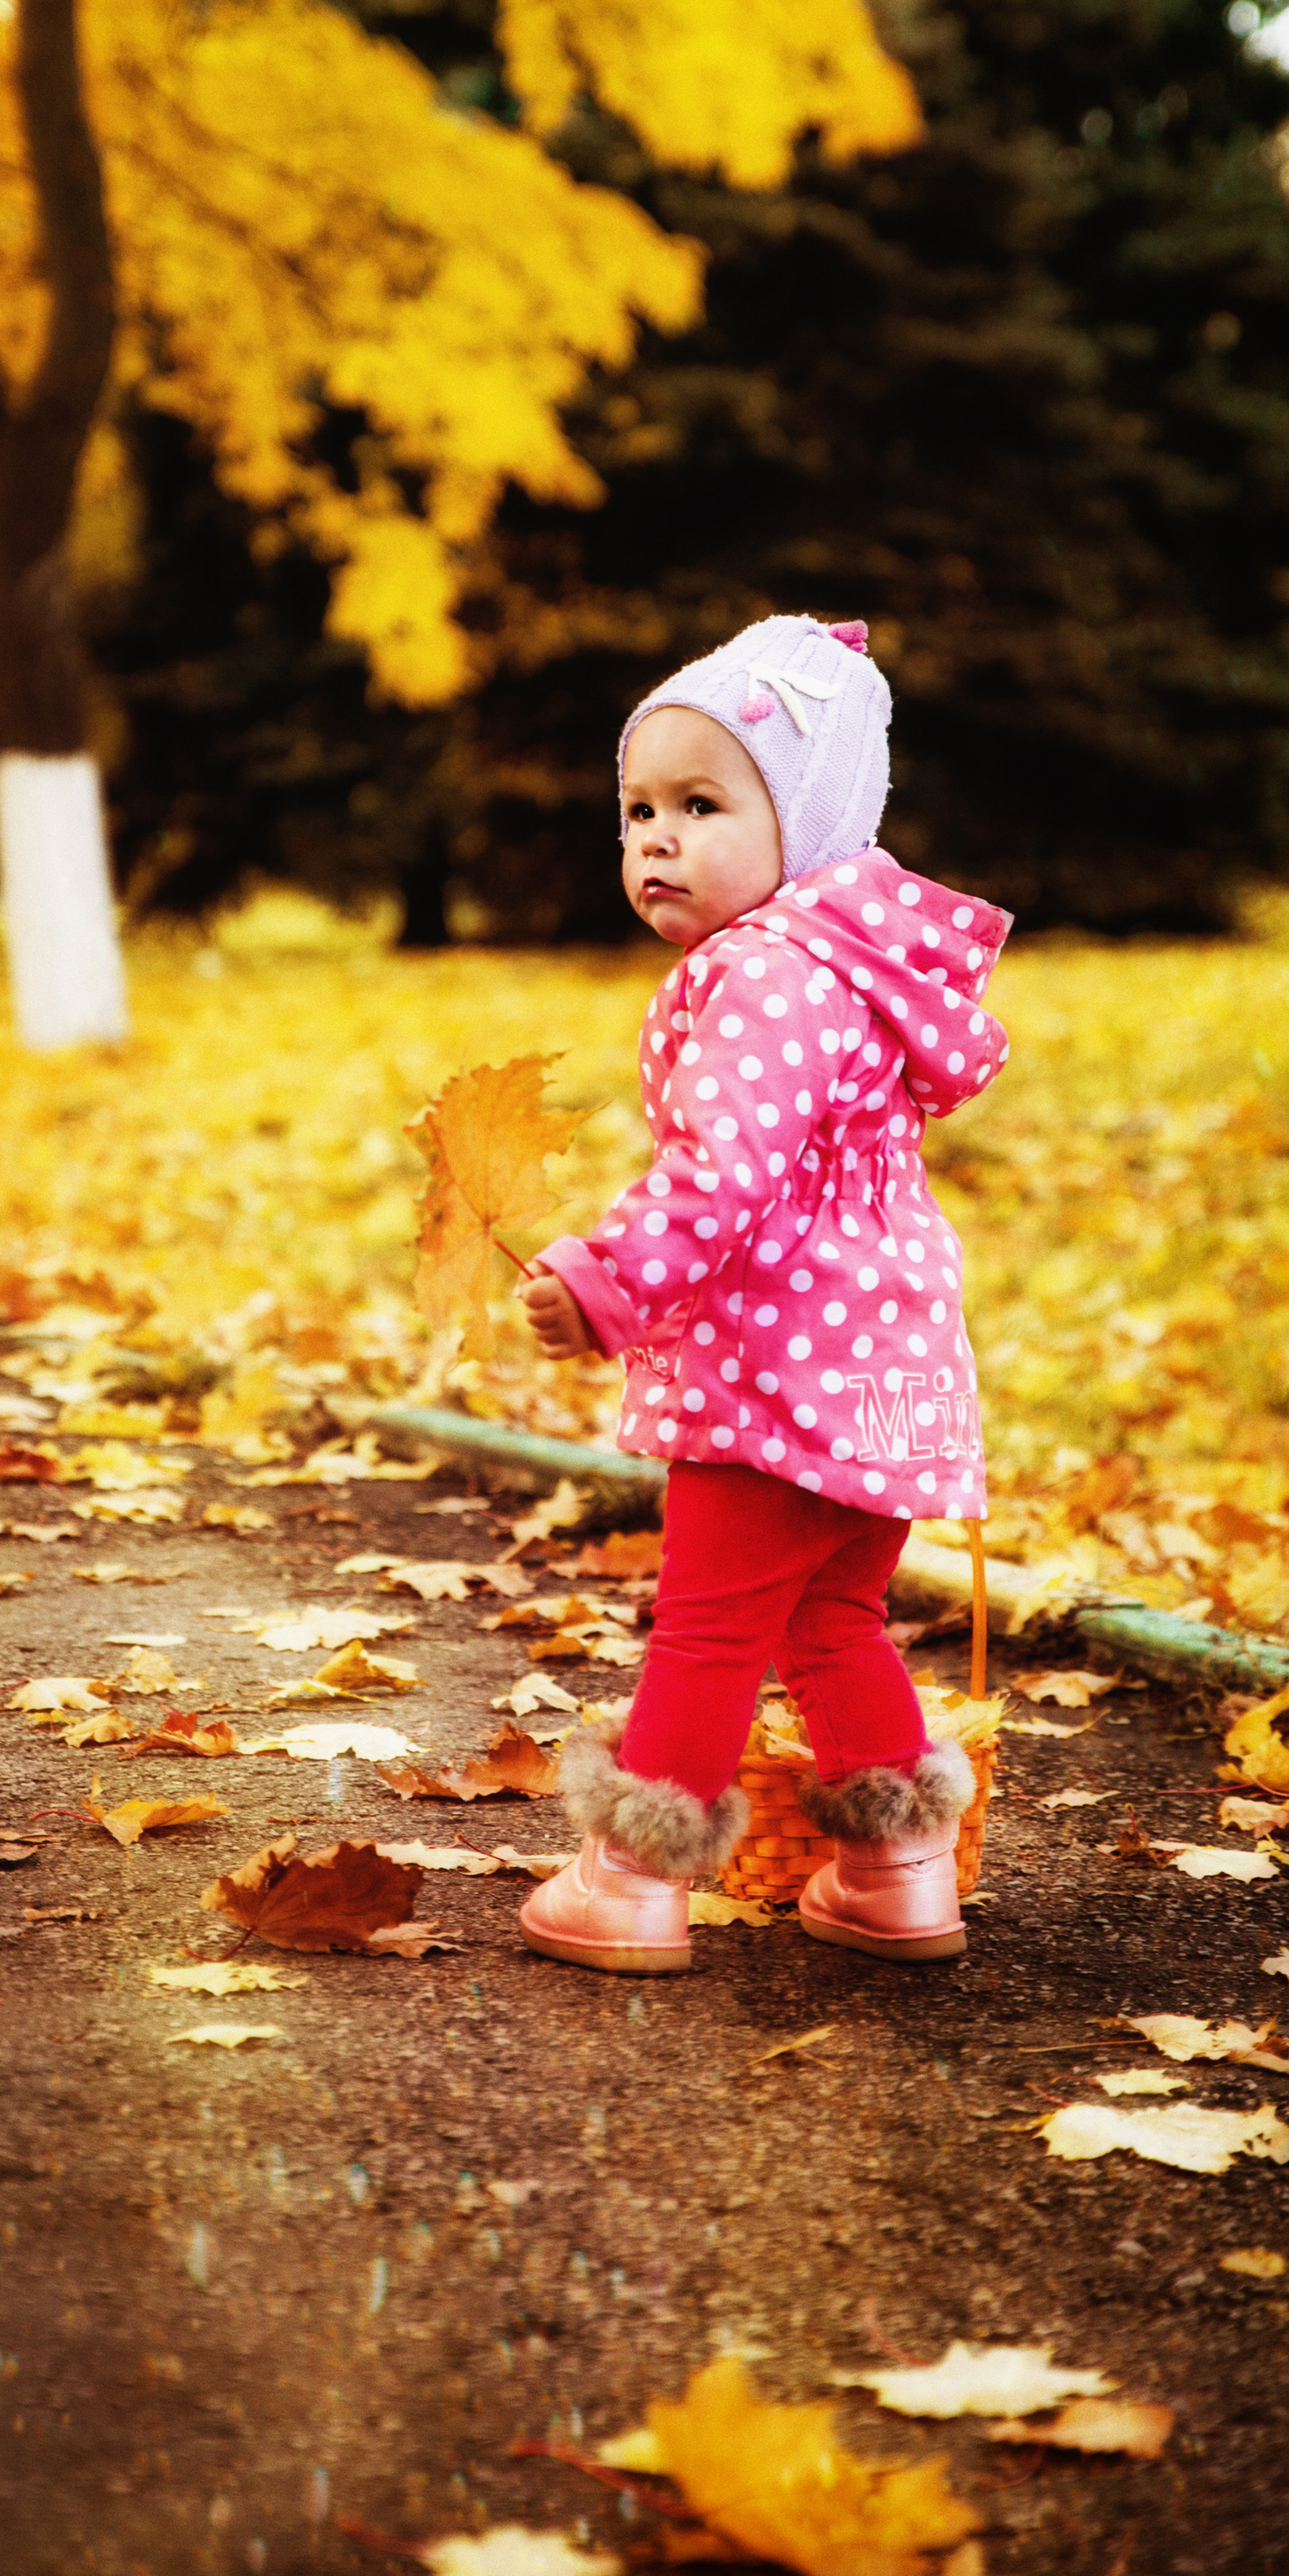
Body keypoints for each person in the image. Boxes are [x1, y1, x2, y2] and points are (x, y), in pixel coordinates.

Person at [516, 613, 1010, 1976]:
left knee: (711, 1622)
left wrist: (606, 1282)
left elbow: (725, 1172)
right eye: (638, 811)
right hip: (881, 1361)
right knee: (831, 1616)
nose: (657, 840)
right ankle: (899, 1874)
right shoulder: (850, 969)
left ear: (810, 822)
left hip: (775, 1362)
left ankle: (627, 1880)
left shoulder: (760, 974)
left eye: (701, 805)